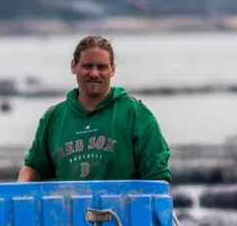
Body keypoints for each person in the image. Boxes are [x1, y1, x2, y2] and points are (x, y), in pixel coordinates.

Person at [18, 35, 171, 183]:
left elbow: (157, 176)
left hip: (121, 208)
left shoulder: (137, 115)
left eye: (102, 67)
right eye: (87, 66)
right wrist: (19, 193)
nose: (94, 73)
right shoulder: (53, 118)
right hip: (67, 208)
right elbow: (34, 168)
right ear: (73, 66)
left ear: (112, 69)